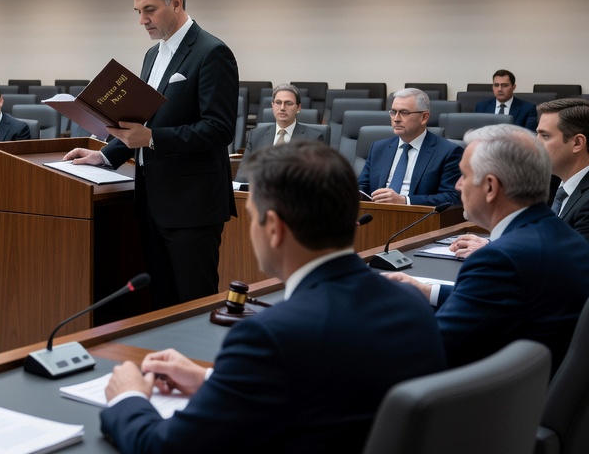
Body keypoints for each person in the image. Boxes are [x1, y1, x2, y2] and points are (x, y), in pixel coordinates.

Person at [100, 141, 445, 453]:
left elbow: (165, 448)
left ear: (275, 228)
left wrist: (128, 396)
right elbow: (327, 391)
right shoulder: (410, 303)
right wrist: (210, 380)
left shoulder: (270, 337)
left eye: (252, 218)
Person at [64, 0, 240, 308]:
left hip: (192, 206)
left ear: (176, 3)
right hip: (152, 203)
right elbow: (143, 120)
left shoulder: (211, 52)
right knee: (161, 302)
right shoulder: (152, 55)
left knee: (193, 303)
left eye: (149, 10)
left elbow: (219, 129)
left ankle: (197, 363)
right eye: (138, 12)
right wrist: (106, 155)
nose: (142, 20)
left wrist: (152, 139)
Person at [386, 124, 589, 373]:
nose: (458, 186)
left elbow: (432, 351)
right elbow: (502, 300)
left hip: (504, 403)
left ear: (490, 187)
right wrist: (426, 291)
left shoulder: (502, 259)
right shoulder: (558, 233)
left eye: (464, 176)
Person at [449, 98, 589, 284]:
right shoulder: (559, 184)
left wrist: (493, 251)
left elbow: (564, 276)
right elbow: (547, 252)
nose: (535, 144)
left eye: (544, 136)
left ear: (577, 143)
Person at [358, 88, 462, 206]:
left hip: (420, 219)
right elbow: (362, 187)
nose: (396, 119)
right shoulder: (378, 148)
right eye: (393, 112)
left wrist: (404, 201)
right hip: (378, 217)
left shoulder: (448, 152)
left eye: (404, 113)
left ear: (424, 117)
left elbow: (451, 197)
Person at [243, 84, 324, 154]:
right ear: (273, 105)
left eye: (288, 103)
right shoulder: (256, 135)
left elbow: (315, 171)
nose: (282, 108)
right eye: (278, 103)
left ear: (298, 108)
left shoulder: (313, 138)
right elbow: (244, 170)